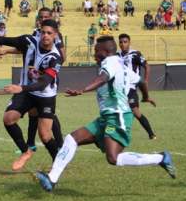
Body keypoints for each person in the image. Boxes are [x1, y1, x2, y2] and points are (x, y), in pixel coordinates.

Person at [34, 36, 176, 192]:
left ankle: (161, 158)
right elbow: (140, 81)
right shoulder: (120, 64)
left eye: (96, 51)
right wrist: (146, 96)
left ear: (106, 51)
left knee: (113, 158)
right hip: (107, 117)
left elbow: (103, 78)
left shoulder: (110, 62)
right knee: (72, 138)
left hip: (118, 116)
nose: (94, 54)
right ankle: (51, 179)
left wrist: (83, 90)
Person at [0, 19, 64, 171]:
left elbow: (44, 83)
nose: (45, 36)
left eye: (49, 33)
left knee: (45, 135)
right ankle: (26, 151)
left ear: (55, 35)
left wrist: (21, 88)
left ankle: (58, 164)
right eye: (43, 32)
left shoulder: (55, 58)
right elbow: (3, 39)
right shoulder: (28, 41)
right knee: (8, 119)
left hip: (45, 96)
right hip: (26, 92)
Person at [118, 34, 156, 140]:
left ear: (129, 42)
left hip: (131, 87)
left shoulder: (135, 54)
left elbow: (147, 66)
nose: (123, 44)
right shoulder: (117, 56)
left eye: (125, 42)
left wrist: (146, 81)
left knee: (135, 112)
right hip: (119, 89)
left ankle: (151, 133)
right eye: (121, 42)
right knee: (117, 112)